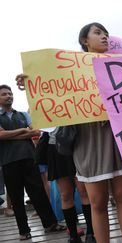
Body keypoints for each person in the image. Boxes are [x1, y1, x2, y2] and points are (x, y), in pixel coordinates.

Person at [16, 22, 122, 243]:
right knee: (97, 202)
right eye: (98, 33)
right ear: (84, 41)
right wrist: (31, 82)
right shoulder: (69, 70)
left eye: (106, 33)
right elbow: (48, 93)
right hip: (88, 142)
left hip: (117, 138)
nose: (104, 37)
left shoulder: (121, 64)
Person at [0, 84, 66, 240]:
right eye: (4, 94)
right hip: (9, 160)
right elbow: (1, 136)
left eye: (10, 93)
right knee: (16, 197)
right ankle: (23, 231)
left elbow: (36, 131)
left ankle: (50, 224)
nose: (9, 96)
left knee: (38, 192)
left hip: (30, 157)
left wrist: (12, 134)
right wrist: (24, 131)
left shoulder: (23, 114)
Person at [46, 128, 95, 243]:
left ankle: (91, 233)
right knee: (65, 194)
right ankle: (73, 236)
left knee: (83, 191)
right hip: (56, 145)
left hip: (80, 141)